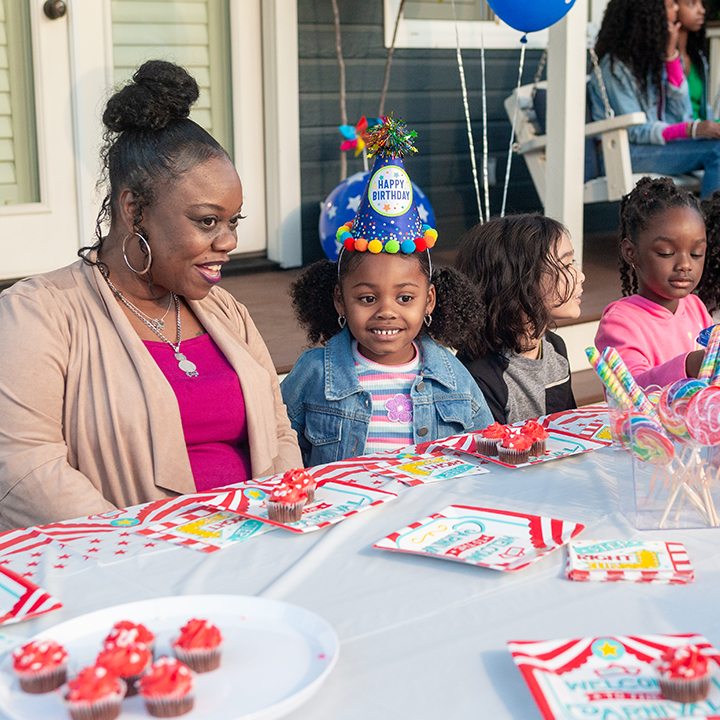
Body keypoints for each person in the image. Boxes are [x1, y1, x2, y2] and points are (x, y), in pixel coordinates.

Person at [0, 61, 301, 531]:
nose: (229, 242)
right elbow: (24, 467)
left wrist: (278, 524)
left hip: (257, 546)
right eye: (207, 221)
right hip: (128, 567)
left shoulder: (226, 312)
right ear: (135, 211)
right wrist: (147, 548)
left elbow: (280, 432)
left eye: (233, 221)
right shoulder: (39, 315)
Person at [281, 249, 493, 467]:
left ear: (428, 300)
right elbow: (279, 445)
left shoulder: (452, 377)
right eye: (368, 298)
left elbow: (485, 449)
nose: (386, 312)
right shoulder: (315, 372)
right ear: (340, 300)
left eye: (405, 298)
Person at [454, 214, 583, 425]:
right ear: (521, 279)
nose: (580, 276)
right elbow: (489, 452)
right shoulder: (478, 375)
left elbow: (570, 429)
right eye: (566, 264)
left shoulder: (555, 349)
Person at [588, 0, 720, 197]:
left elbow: (681, 114)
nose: (675, 8)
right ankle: (710, 226)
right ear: (646, 16)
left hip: (654, 148)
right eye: (669, 5)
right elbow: (636, 130)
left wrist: (670, 56)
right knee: (717, 151)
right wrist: (690, 129)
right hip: (623, 154)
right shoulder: (614, 68)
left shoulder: (649, 62)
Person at [595, 176, 715, 389]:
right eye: (666, 253)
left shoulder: (695, 306)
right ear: (631, 252)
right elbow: (630, 390)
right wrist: (689, 366)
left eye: (696, 254)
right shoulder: (620, 322)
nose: (685, 265)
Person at [677, 0, 714, 121]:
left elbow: (705, 112)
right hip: (681, 134)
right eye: (691, 4)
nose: (702, 10)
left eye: (701, 3)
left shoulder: (698, 57)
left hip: (703, 134)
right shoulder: (659, 61)